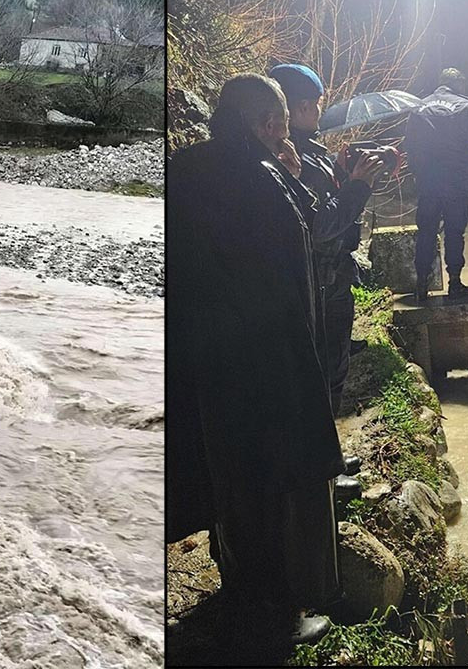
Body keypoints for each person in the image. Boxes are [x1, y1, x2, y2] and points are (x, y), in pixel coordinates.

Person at [166, 73, 345, 649]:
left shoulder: (184, 168)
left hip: (198, 361)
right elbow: (298, 285)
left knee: (224, 480)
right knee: (267, 486)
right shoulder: (265, 185)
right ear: (272, 125)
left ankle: (238, 594)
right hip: (264, 365)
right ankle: (265, 617)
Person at [269, 64, 388, 415]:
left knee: (318, 368)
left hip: (317, 280)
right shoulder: (293, 157)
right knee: (328, 372)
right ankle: (327, 463)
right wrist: (359, 184)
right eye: (318, 103)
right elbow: (321, 225)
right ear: (304, 107)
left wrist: (343, 170)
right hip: (322, 281)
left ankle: (318, 455)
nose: (320, 110)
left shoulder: (299, 151)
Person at [404, 67, 468, 301]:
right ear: (460, 85)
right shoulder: (466, 105)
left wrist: (417, 172)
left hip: (429, 182)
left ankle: (421, 286)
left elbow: (410, 144)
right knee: (455, 232)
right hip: (457, 181)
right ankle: (455, 283)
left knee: (426, 232)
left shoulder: (420, 106)